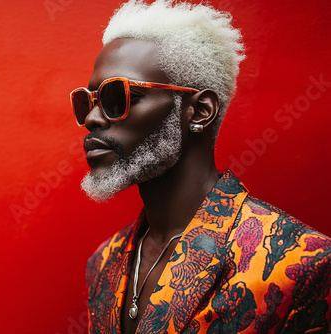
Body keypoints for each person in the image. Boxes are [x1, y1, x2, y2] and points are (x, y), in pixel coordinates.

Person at [69, 1, 331, 333]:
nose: (91, 118)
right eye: (86, 102)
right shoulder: (104, 262)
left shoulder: (300, 262)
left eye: (118, 97)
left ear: (199, 110)